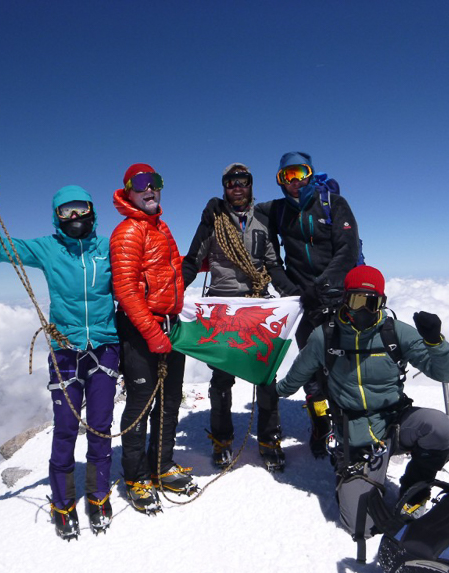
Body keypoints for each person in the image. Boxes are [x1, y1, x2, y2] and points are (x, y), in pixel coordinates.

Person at [264, 265, 449, 549]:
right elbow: (295, 379)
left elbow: (445, 374)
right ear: (345, 299)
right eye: (357, 300)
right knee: (361, 526)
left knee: (438, 427)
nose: (363, 309)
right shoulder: (325, 337)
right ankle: (352, 474)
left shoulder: (395, 333)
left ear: (382, 302)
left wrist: (435, 342)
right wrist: (269, 388)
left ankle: (414, 489)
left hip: (395, 421)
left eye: (372, 302)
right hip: (354, 434)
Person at [0, 180, 119, 539]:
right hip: (65, 350)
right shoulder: (48, 249)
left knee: (100, 426)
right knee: (65, 427)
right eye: (67, 211)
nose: (75, 216)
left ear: (93, 211)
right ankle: (62, 502)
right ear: (56, 217)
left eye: (81, 208)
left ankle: (98, 496)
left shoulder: (108, 247)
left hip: (105, 347)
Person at [182, 163, 297, 471]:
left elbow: (273, 265)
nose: (237, 186)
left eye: (242, 181)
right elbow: (193, 260)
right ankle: (222, 441)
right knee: (221, 380)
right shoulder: (212, 219)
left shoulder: (262, 219)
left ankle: (269, 440)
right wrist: (173, 290)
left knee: (267, 377)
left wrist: (295, 293)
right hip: (223, 308)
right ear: (224, 186)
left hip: (258, 305)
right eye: (230, 181)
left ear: (250, 185)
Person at [256, 151, 362, 456]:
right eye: (286, 176)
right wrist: (287, 287)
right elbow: (248, 217)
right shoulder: (277, 210)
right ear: (280, 180)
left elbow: (348, 248)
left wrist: (326, 285)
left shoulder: (333, 204)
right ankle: (321, 424)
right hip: (303, 302)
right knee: (311, 368)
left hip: (339, 298)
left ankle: (352, 424)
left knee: (346, 365)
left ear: (311, 173)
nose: (293, 181)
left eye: (299, 173)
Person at [110, 163, 196, 514]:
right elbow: (126, 291)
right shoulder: (128, 232)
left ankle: (161, 465)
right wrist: (150, 332)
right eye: (141, 184)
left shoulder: (159, 227)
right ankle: (136, 477)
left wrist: (198, 262)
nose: (150, 189)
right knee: (141, 403)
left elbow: (167, 270)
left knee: (171, 399)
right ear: (128, 190)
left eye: (155, 183)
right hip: (141, 328)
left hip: (168, 325)